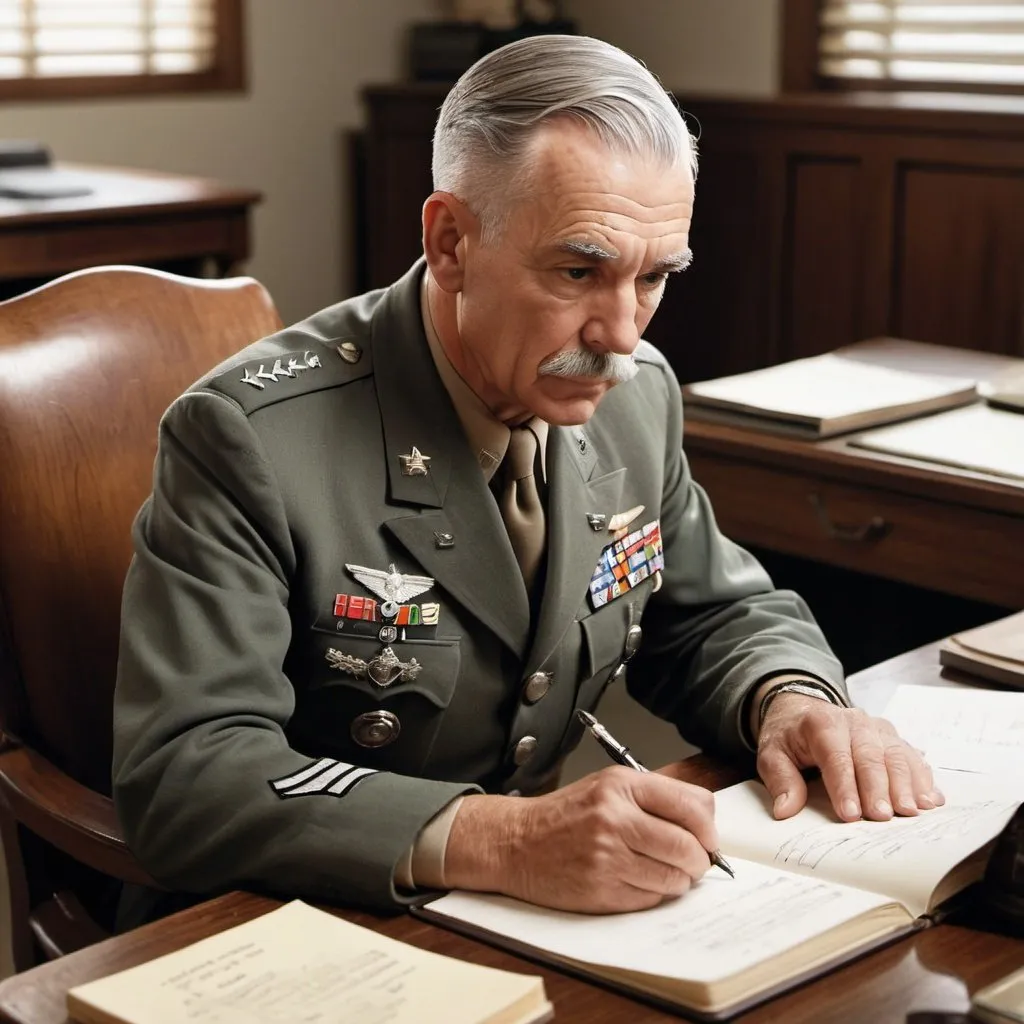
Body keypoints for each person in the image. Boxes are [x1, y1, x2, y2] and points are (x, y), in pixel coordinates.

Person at [113, 34, 942, 918]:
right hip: (297, 922)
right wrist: (501, 839)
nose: (621, 336)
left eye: (654, 277)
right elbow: (186, 777)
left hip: (537, 913)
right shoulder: (248, 438)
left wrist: (788, 701)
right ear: (450, 243)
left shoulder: (637, 396)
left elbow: (713, 614)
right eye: (579, 271)